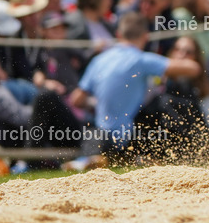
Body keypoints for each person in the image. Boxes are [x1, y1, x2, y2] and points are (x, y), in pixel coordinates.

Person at [69, 12, 201, 164]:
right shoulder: (142, 60)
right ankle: (173, 156)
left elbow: (76, 100)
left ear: (118, 34)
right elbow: (193, 68)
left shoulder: (99, 60)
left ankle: (87, 160)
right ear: (145, 37)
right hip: (128, 137)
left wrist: (96, 103)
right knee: (163, 104)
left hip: (98, 134)